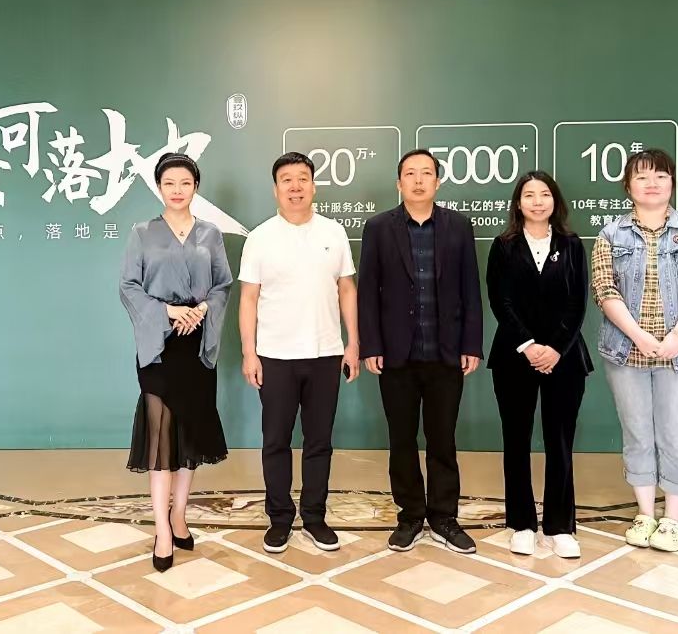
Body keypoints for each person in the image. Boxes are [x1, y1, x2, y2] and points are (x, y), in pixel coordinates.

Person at [591, 149, 678, 553]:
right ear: (628, 186)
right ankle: (645, 513)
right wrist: (639, 337)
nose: (652, 183)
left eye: (660, 176)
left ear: (672, 183)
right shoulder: (610, 235)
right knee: (637, 433)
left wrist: (676, 336)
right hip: (626, 353)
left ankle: (673, 518)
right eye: (642, 176)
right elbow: (604, 290)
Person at [357, 149, 483, 554]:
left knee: (443, 438)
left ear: (437, 181)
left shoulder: (458, 226)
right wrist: (372, 345)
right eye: (410, 174)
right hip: (397, 355)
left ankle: (444, 517)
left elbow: (470, 289)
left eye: (426, 173)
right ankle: (410, 515)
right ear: (399, 183)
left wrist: (471, 344)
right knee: (402, 439)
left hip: (446, 353)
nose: (417, 180)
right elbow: (367, 292)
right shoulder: (379, 228)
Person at [239, 151, 360, 554]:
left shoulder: (333, 232)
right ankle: (279, 519)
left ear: (314, 186)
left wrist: (353, 342)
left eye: (303, 178)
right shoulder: (260, 237)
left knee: (319, 441)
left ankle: (314, 517)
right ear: (276, 189)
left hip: (326, 353)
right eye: (287, 180)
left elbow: (347, 288)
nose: (295, 186)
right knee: (275, 440)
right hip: (274, 356)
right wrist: (249, 352)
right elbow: (249, 298)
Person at [120, 153, 232, 572]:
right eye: (169, 183)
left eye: (185, 182)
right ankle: (162, 530)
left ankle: (180, 515)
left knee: (190, 436)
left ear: (195, 187)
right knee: (161, 437)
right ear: (159, 188)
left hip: (197, 344)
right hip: (159, 345)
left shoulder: (210, 234)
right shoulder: (142, 233)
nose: (178, 190)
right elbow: (128, 287)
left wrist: (200, 310)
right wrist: (168, 312)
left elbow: (222, 285)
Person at [486, 171, 593, 559]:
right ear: (518, 203)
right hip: (515, 357)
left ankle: (560, 526)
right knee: (516, 441)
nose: (536, 201)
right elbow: (500, 301)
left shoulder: (572, 244)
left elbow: (578, 302)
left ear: (555, 201)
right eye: (529, 195)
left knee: (560, 442)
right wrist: (529, 345)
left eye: (544, 194)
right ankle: (521, 524)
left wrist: (555, 348)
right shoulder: (504, 246)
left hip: (564, 358)